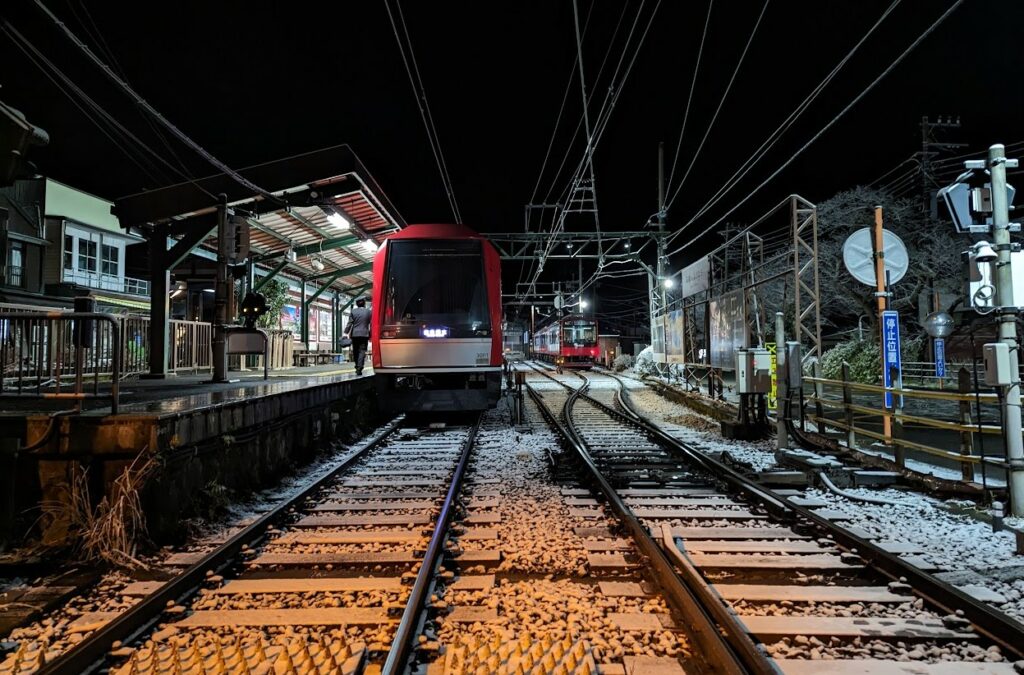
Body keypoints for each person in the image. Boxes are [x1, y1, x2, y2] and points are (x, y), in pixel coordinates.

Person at [346, 298, 371, 376]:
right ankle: (359, 367)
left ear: (357, 304)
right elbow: (372, 324)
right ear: (364, 303)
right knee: (362, 351)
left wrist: (345, 333)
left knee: (355, 351)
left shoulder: (353, 311)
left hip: (355, 334)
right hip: (364, 334)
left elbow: (349, 323)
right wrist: (371, 334)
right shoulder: (369, 312)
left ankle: (357, 366)